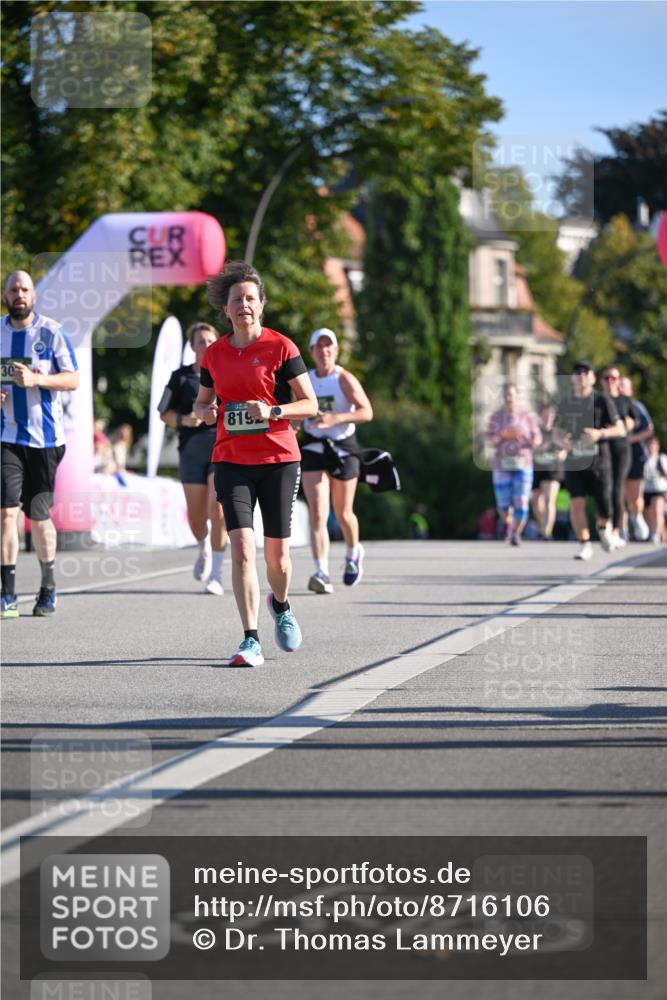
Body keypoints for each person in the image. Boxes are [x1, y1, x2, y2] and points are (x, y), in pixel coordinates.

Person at [194, 261, 318, 667]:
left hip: (280, 459)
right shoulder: (213, 354)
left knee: (277, 558)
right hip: (231, 460)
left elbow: (310, 404)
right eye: (236, 300)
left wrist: (273, 411)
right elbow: (202, 401)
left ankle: (280, 604)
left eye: (250, 298)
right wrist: (205, 412)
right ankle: (250, 639)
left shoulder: (282, 347)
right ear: (226, 310)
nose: (244, 305)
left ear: (261, 305)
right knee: (242, 548)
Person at [1, 270, 79, 617]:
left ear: (34, 295)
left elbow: (74, 378)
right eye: (13, 289)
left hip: (45, 439)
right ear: (5, 295)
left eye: (25, 289)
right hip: (7, 436)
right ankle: (8, 593)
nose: (19, 294)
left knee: (39, 514)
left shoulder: (51, 332)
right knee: (6, 512)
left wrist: (37, 379)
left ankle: (48, 586)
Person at [298, 328, 373, 593]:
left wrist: (335, 419)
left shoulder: (344, 379)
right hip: (314, 447)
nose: (324, 351)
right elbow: (297, 411)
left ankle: (353, 553)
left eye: (329, 346)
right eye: (319, 346)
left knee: (343, 512)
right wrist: (295, 423)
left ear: (336, 350)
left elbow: (367, 412)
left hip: (342, 448)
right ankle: (322, 572)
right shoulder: (305, 380)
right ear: (312, 352)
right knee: (318, 512)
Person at [159, 322, 228, 595]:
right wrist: (184, 419)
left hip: (222, 448)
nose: (206, 345)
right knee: (197, 518)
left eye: (211, 340)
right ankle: (204, 547)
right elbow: (163, 412)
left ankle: (218, 576)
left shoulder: (226, 373)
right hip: (191, 450)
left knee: (218, 511)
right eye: (201, 341)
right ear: (192, 347)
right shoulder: (180, 377)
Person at [554, 360, 625, 561]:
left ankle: (603, 527)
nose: (581, 375)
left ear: (593, 377)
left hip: (599, 462)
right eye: (577, 372)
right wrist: (563, 442)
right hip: (575, 461)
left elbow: (620, 428)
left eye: (586, 372)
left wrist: (599, 434)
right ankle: (584, 543)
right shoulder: (566, 402)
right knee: (576, 503)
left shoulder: (602, 401)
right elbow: (557, 432)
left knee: (604, 505)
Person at [485, 383, 542, 546]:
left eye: (512, 395)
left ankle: (516, 534)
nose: (509, 398)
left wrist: (527, 439)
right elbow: (489, 439)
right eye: (506, 395)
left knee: (522, 500)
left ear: (517, 396)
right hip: (501, 464)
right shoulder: (496, 417)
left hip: (523, 463)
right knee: (503, 504)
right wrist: (502, 436)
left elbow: (537, 438)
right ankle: (510, 525)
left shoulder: (527, 416)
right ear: (503, 397)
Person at [599, 366, 635, 550]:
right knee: (604, 490)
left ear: (619, 380)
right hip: (603, 451)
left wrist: (619, 426)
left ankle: (615, 532)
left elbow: (630, 421)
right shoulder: (598, 400)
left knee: (617, 490)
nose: (610, 381)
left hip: (621, 450)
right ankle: (606, 526)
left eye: (614, 377)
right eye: (607, 378)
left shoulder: (624, 400)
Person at [619, 376, 654, 541]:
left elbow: (649, 430)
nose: (620, 389)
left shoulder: (637, 407)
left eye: (624, 386)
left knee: (634, 498)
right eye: (619, 386)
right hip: (617, 454)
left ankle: (637, 515)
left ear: (630, 390)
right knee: (618, 493)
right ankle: (621, 529)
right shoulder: (611, 406)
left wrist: (632, 439)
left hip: (635, 454)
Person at [530, 403, 564, 540]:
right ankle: (542, 525)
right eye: (545, 414)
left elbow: (565, 449)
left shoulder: (558, 433)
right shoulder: (535, 431)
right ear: (540, 415)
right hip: (537, 468)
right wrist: (539, 449)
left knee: (550, 499)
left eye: (551, 414)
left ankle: (547, 531)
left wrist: (561, 455)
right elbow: (529, 449)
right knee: (536, 502)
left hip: (552, 469)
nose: (548, 416)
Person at [643, 436, 667, 544]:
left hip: (659, 489)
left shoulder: (661, 458)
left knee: (657, 512)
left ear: (657, 446)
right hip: (646, 490)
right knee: (648, 514)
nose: (651, 447)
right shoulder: (643, 459)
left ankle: (656, 534)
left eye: (653, 444)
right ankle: (652, 532)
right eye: (649, 444)